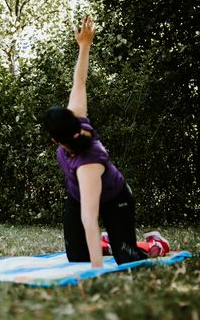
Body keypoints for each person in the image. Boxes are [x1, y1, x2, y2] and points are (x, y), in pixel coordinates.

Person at [41, 16, 170, 267]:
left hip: (115, 199)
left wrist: (96, 271)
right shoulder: (75, 118)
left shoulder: (89, 162)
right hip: (78, 196)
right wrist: (84, 46)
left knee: (127, 260)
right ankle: (108, 242)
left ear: (55, 140)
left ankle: (155, 244)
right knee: (77, 256)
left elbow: (90, 218)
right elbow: (79, 81)